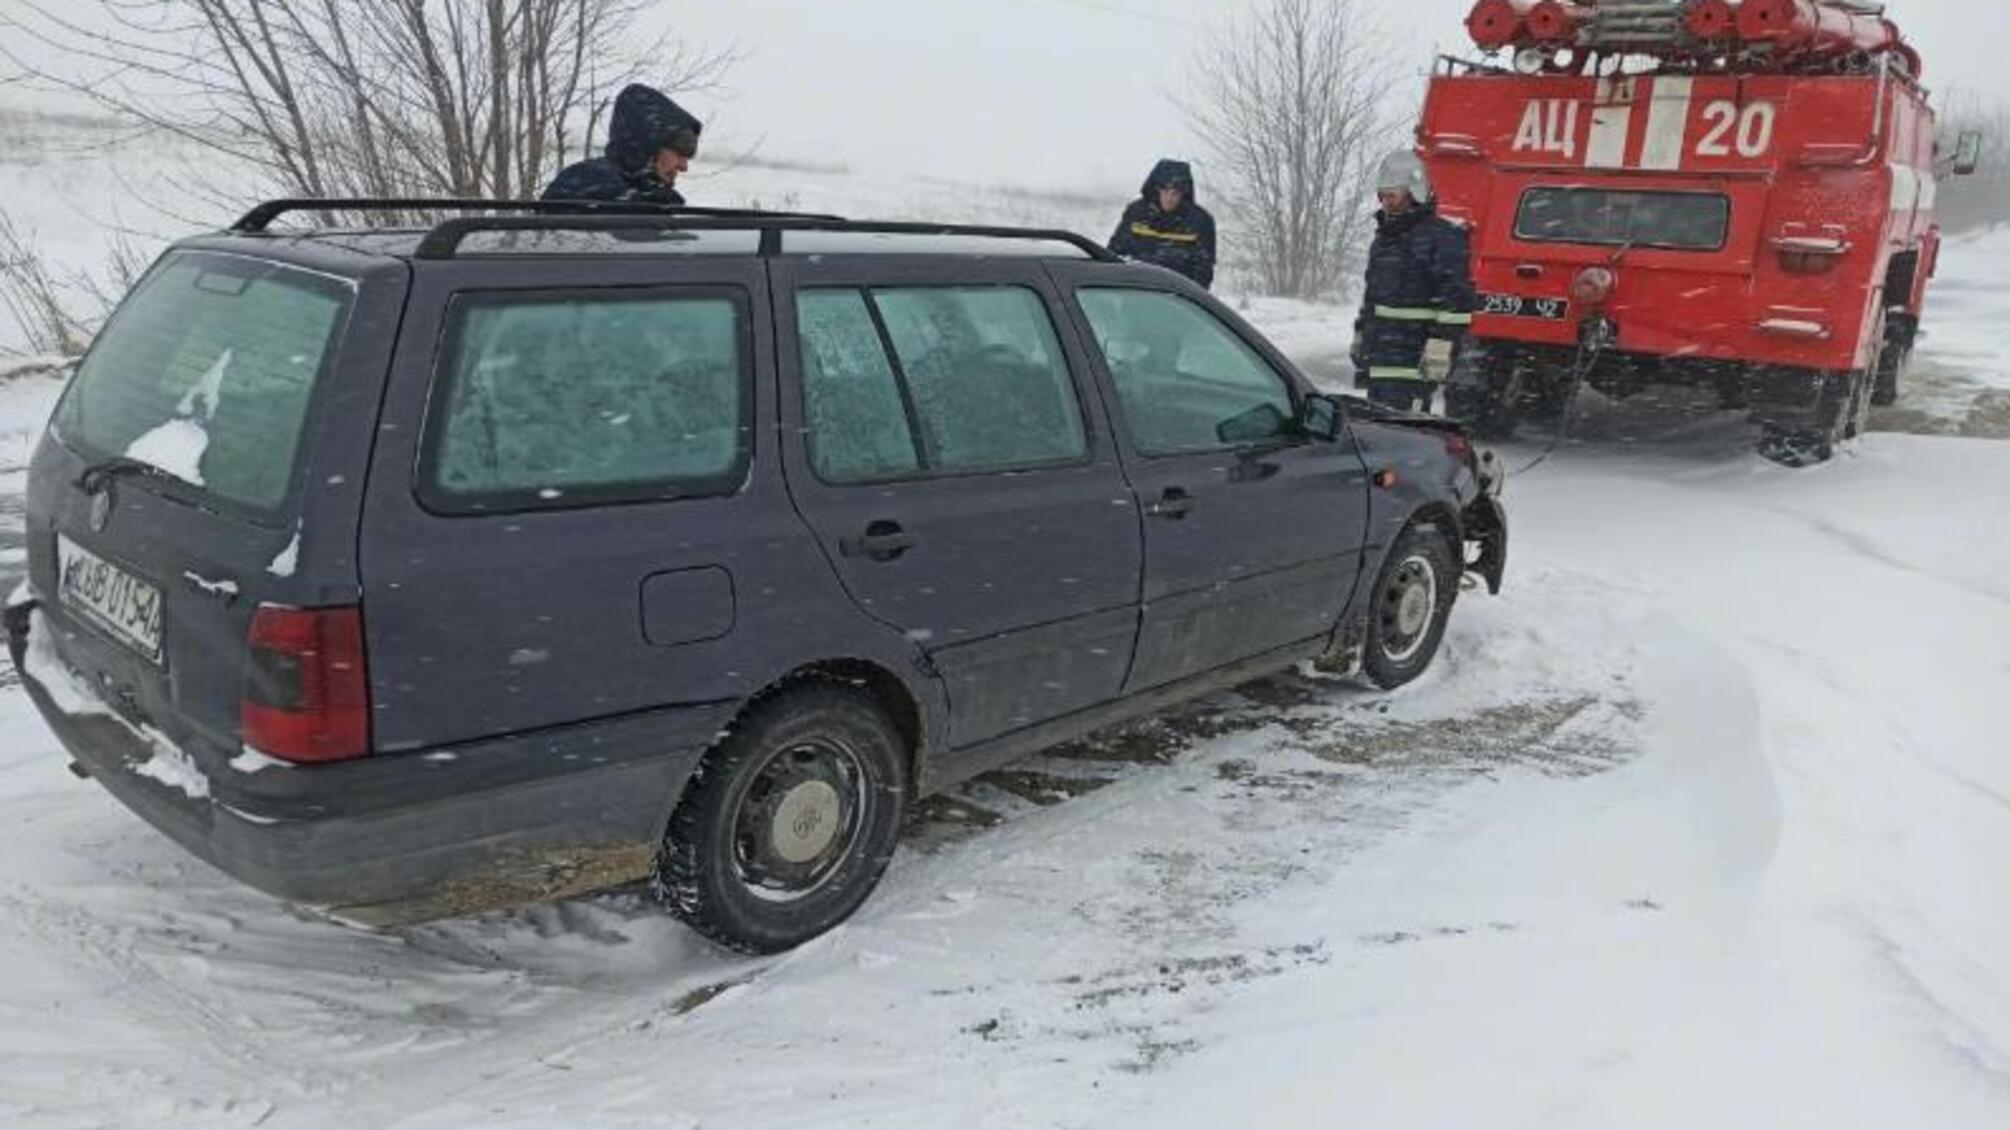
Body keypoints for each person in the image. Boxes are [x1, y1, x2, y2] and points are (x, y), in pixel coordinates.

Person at [1352, 150, 1477, 413]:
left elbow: (1456, 303)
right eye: (1382, 196)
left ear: (1414, 193)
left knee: (1407, 429)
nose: (1386, 203)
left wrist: (1440, 350)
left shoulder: (1442, 238)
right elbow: (1373, 296)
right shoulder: (1384, 240)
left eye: (1392, 196)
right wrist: (1361, 333)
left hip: (1414, 362)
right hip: (1381, 360)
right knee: (1377, 427)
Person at [542, 84, 702, 205]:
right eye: (679, 154)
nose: (683, 167)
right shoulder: (582, 183)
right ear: (649, 147)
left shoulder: (659, 197)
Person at [1108, 160, 1217, 290]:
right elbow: (1115, 254)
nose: (1169, 198)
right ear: (1157, 189)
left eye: (1175, 193)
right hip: (1136, 290)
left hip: (1177, 294)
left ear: (1184, 193)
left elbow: (1203, 271)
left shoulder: (1200, 222)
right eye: (1165, 191)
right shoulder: (1136, 214)